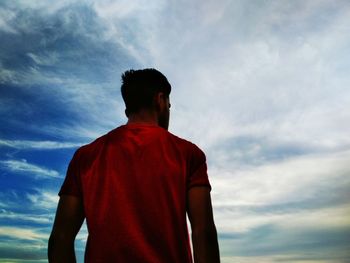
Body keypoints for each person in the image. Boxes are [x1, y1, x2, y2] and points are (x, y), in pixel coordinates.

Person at [48, 68, 220, 263]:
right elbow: (203, 233)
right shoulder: (188, 154)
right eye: (169, 106)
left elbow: (60, 239)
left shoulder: (85, 157)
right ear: (160, 100)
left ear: (128, 108)